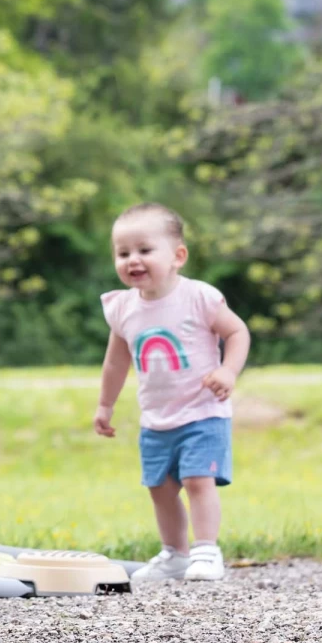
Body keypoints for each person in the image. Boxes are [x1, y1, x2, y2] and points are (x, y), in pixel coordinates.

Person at [94, 203, 251, 581]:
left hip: (203, 411)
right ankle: (175, 554)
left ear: (178, 256)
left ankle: (206, 551)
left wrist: (228, 370)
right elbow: (116, 363)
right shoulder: (122, 308)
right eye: (123, 252)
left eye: (145, 250)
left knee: (198, 480)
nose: (133, 260)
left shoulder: (198, 298)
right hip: (156, 419)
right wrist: (105, 405)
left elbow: (237, 332)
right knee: (160, 489)